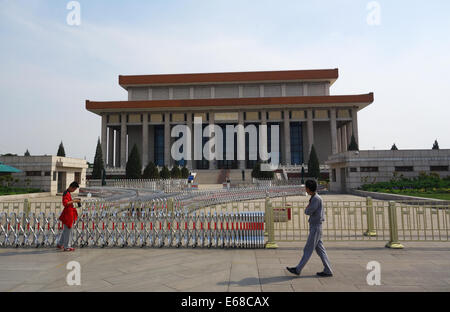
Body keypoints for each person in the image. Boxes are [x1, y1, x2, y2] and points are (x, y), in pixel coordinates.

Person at [286, 179, 333, 277]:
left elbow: (308, 211)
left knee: (308, 249)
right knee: (320, 250)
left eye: (305, 187)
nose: (305, 189)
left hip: (316, 227)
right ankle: (328, 269)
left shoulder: (316, 199)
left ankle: (298, 269)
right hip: (315, 226)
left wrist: (307, 209)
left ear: (308, 188)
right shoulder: (315, 197)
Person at [57, 181, 81, 252]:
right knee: (68, 231)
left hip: (69, 213)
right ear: (71, 187)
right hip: (68, 214)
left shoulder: (68, 193)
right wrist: (74, 201)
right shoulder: (66, 193)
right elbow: (65, 203)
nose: (74, 190)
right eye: (74, 189)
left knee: (66, 231)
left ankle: (60, 243)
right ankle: (67, 246)